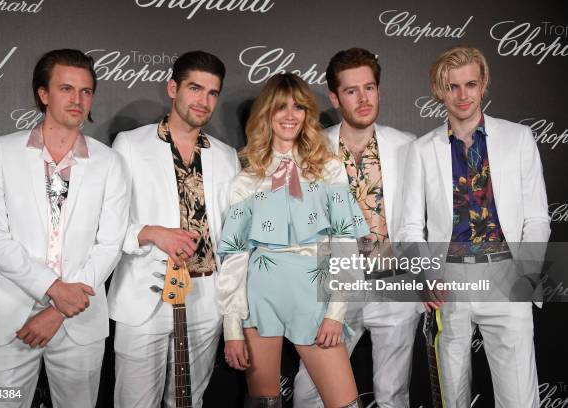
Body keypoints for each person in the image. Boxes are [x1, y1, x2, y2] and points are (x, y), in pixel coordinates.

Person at [0, 49, 130, 408]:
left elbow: (110, 243)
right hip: (6, 314)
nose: (77, 100)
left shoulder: (109, 162)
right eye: (66, 88)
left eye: (86, 91)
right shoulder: (0, 151)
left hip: (79, 319)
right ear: (43, 94)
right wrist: (52, 288)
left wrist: (59, 308)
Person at [399, 45, 550, 407]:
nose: (463, 95)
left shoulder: (519, 138)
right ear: (439, 90)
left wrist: (526, 277)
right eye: (453, 87)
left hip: (506, 277)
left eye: (470, 84)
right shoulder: (421, 150)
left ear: (483, 84)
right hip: (448, 282)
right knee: (452, 398)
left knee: (520, 401)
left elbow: (537, 218)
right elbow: (408, 229)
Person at [218, 72, 369, 408]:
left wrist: (336, 312)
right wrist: (231, 328)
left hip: (313, 294)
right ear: (266, 114)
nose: (290, 115)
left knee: (344, 402)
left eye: (298, 107)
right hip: (260, 294)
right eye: (280, 107)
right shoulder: (246, 179)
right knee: (263, 401)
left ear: (307, 115)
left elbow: (345, 242)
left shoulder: (329, 169)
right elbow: (235, 257)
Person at [108, 50, 240, 408]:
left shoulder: (226, 156)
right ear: (172, 88)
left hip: (205, 301)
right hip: (144, 297)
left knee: (189, 401)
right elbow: (107, 225)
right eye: (195, 89)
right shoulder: (130, 145)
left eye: (213, 93)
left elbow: (232, 240)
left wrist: (230, 313)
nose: (204, 100)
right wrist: (151, 232)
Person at [293, 47, 422, 408]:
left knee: (393, 394)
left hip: (394, 285)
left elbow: (418, 221)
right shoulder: (313, 150)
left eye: (370, 88)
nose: (364, 99)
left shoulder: (407, 146)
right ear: (335, 97)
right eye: (352, 91)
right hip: (335, 287)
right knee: (309, 392)